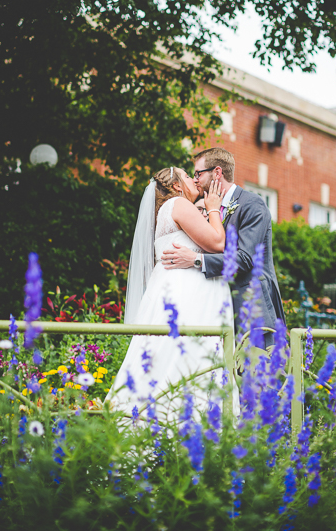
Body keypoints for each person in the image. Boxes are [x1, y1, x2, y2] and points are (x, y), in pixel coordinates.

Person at [107, 167, 232, 419]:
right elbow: (218, 244)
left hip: (167, 291)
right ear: (176, 186)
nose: (194, 179)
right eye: (188, 176)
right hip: (184, 295)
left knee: (163, 356)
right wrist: (214, 208)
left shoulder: (167, 211)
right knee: (183, 357)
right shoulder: (180, 205)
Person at [161, 147, 285, 348]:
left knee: (257, 375)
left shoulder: (252, 204)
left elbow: (245, 259)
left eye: (198, 174)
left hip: (251, 307)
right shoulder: (207, 209)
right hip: (218, 309)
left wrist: (195, 259)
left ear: (217, 173)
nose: (196, 180)